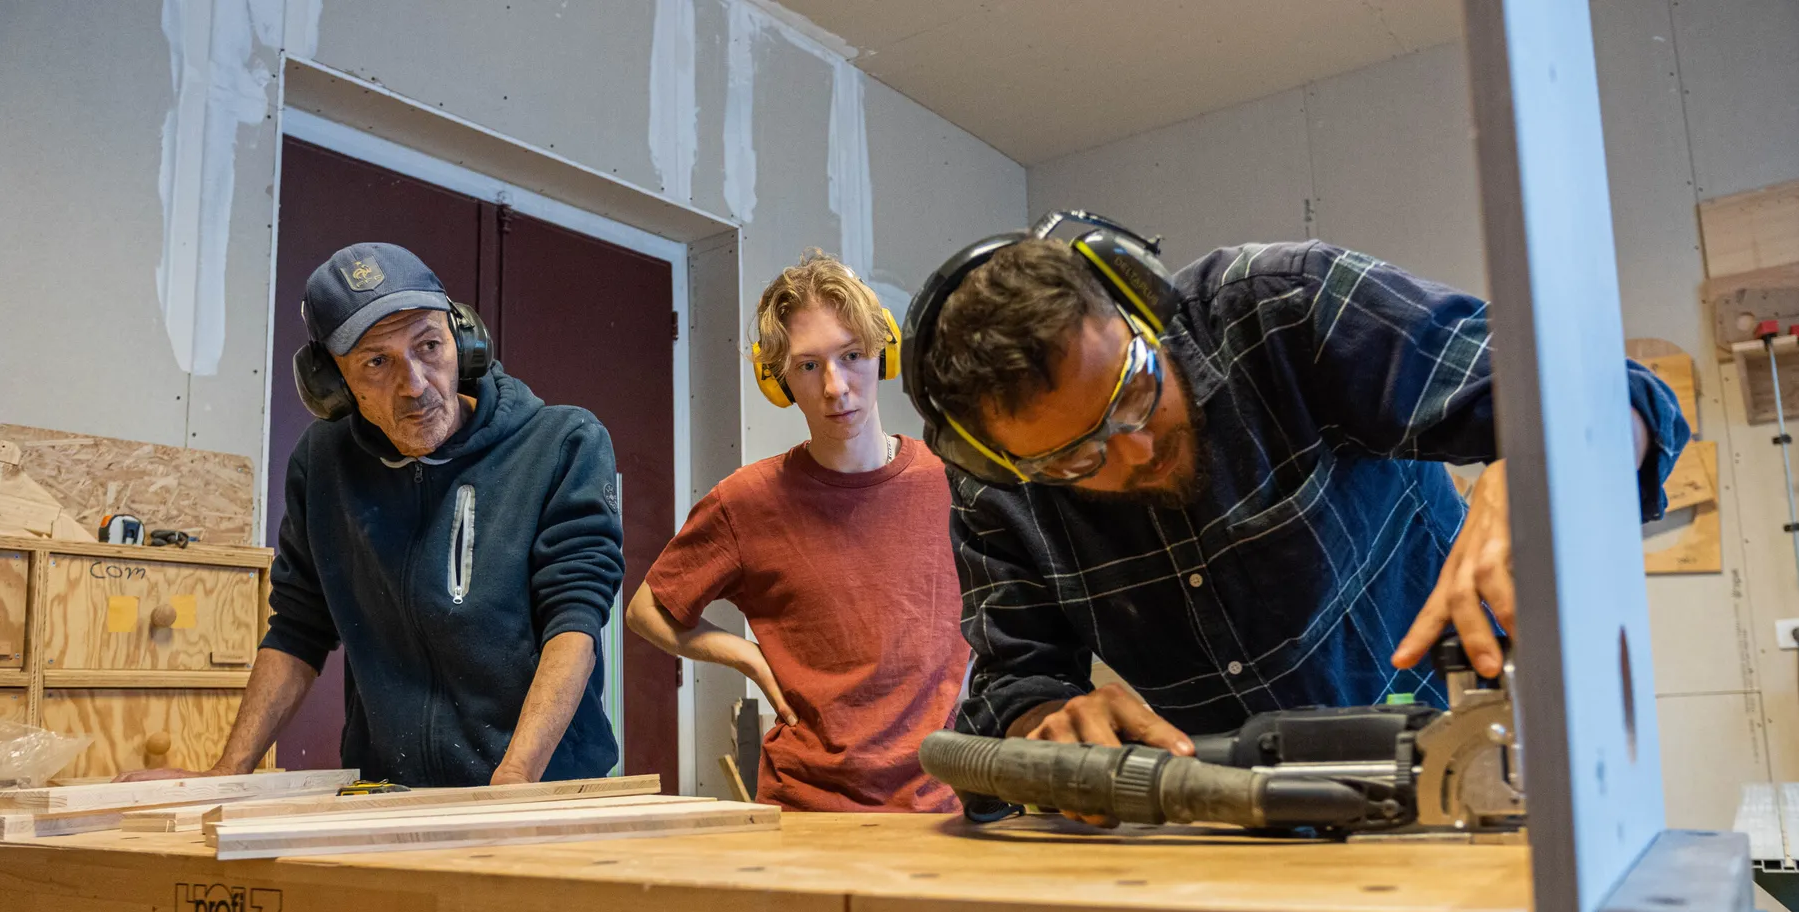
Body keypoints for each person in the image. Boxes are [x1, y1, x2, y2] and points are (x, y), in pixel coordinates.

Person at [903, 213, 1689, 763]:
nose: (1134, 449)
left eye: (1135, 388)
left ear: (1140, 302)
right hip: (1237, 829)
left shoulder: (1285, 307)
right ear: (999, 459)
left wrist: (1543, 466)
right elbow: (1017, 681)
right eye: (1076, 458)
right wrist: (1051, 722)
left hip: (1479, 765)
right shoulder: (994, 489)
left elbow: (1625, 397)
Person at [121, 242, 626, 793]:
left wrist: (514, 780)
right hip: (390, 795)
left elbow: (574, 621)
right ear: (332, 385)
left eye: (429, 346)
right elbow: (297, 628)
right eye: (377, 362)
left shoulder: (562, 444)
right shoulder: (323, 464)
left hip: (542, 790)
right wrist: (226, 776)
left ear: (464, 340)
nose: (415, 384)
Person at [626, 251, 967, 812]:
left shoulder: (953, 483)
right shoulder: (747, 501)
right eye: (808, 366)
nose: (835, 387)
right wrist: (747, 657)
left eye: (851, 355)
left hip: (938, 805)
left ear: (883, 353)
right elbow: (646, 611)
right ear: (778, 381)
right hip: (805, 808)